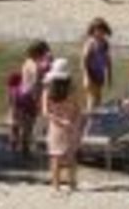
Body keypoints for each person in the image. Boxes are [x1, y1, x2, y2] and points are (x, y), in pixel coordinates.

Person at [41, 58, 83, 192]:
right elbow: (78, 110)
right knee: (71, 156)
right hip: (71, 125)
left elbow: (45, 113)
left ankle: (56, 186)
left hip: (56, 127)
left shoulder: (47, 91)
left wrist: (60, 121)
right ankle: (72, 184)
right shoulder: (72, 90)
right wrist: (75, 124)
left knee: (55, 157)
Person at [14, 40, 51, 155]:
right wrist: (37, 100)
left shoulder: (28, 62)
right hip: (29, 96)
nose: (46, 54)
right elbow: (35, 83)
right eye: (45, 52)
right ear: (39, 53)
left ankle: (20, 144)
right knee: (29, 123)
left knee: (24, 121)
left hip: (21, 93)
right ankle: (25, 148)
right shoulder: (35, 65)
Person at [80, 18, 113, 111]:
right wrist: (86, 76)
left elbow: (108, 60)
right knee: (91, 97)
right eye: (97, 30)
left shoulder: (105, 43)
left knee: (98, 97)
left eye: (102, 30)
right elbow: (83, 61)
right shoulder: (90, 43)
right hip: (90, 73)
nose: (100, 33)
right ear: (92, 31)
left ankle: (95, 118)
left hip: (100, 73)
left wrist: (109, 76)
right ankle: (90, 118)